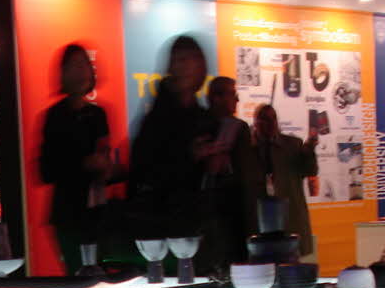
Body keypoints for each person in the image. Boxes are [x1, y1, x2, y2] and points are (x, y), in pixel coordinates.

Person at [131, 36, 216, 240]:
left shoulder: (203, 117)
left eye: (191, 59)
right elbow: (144, 169)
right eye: (180, 59)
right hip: (162, 224)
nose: (186, 65)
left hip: (196, 221)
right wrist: (188, 156)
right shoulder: (157, 118)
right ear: (171, 66)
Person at [39, 43, 112, 275]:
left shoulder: (98, 114)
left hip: (97, 208)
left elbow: (105, 153)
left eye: (84, 65)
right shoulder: (55, 116)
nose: (81, 71)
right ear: (63, 73)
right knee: (77, 273)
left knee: (100, 271)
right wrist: (84, 164)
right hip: (68, 210)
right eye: (74, 65)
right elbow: (46, 169)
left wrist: (106, 167)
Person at [200, 76, 257, 274]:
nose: (237, 100)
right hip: (225, 212)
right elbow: (246, 177)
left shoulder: (198, 123)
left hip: (214, 211)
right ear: (216, 98)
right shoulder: (237, 128)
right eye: (233, 94)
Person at [250, 104, 318, 256]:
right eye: (265, 119)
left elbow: (310, 171)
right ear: (255, 123)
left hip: (289, 217)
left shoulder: (292, 145)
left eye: (274, 118)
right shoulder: (248, 148)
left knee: (290, 261)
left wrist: (309, 152)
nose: (271, 123)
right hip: (259, 220)